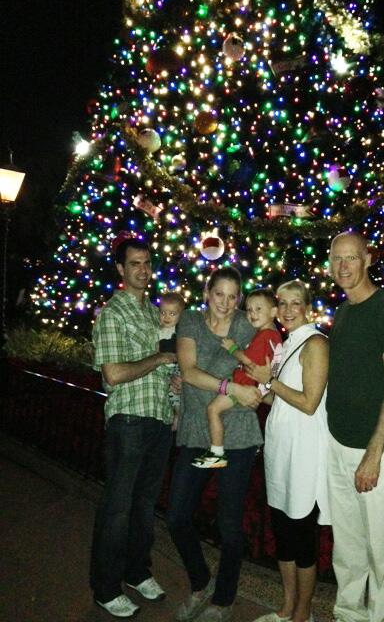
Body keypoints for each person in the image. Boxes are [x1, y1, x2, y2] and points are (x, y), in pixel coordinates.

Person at [326, 231, 384, 622]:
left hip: (378, 450)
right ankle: (348, 613)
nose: (343, 266)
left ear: (367, 259)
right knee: (347, 546)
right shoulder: (343, 312)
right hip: (339, 444)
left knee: (382, 552)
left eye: (351, 258)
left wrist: (373, 453)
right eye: (336, 258)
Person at [166, 266, 263, 622]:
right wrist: (230, 387)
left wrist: (256, 388)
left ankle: (223, 599)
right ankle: (200, 582)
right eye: (219, 294)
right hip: (198, 434)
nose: (225, 302)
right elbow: (189, 370)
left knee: (228, 523)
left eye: (232, 296)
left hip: (235, 435)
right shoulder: (191, 320)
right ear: (207, 293)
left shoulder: (246, 326)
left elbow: (263, 364)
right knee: (177, 515)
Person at [90, 237, 176, 618]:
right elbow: (113, 373)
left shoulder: (156, 314)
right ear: (121, 269)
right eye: (135, 263)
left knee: (143, 506)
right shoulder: (113, 314)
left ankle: (137, 572)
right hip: (128, 421)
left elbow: (167, 367)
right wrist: (158, 359)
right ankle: (106, 588)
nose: (143, 270)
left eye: (147, 263)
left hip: (158, 420)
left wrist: (174, 386)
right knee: (118, 508)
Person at [248, 280, 330, 622]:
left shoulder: (316, 343)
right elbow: (278, 398)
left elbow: (309, 403)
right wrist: (257, 388)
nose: (288, 309)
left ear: (307, 308)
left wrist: (271, 381)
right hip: (280, 453)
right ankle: (286, 607)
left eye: (296, 303)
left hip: (304, 455)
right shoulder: (287, 344)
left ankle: (302, 613)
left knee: (302, 539)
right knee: (282, 534)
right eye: (282, 303)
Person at [192, 288, 282, 469]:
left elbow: (249, 362)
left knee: (213, 409)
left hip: (244, 385)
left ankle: (216, 453)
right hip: (252, 385)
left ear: (273, 311)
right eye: (249, 309)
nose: (252, 314)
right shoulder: (274, 335)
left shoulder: (265, 336)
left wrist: (232, 348)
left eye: (258, 309)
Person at [158, 291, 185, 431]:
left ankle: (178, 415)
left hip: (176, 367)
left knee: (174, 392)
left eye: (172, 314)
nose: (167, 317)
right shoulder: (157, 330)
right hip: (162, 368)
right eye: (163, 313)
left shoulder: (179, 331)